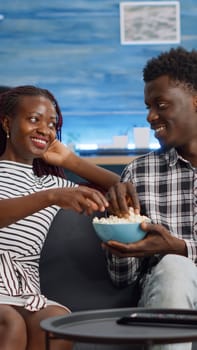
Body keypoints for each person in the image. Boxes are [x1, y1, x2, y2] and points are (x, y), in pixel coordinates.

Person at [0, 85, 119, 350]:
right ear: (7, 122)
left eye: (52, 124)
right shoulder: (53, 193)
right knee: (10, 323)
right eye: (34, 119)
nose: (45, 129)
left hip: (26, 290)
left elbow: (127, 193)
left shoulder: (53, 185)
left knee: (57, 325)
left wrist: (71, 161)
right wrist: (50, 197)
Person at [102, 47, 197, 350]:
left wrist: (181, 247)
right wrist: (121, 226)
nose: (150, 116)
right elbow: (122, 279)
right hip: (166, 295)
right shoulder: (138, 173)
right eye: (148, 106)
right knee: (173, 267)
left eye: (161, 105)